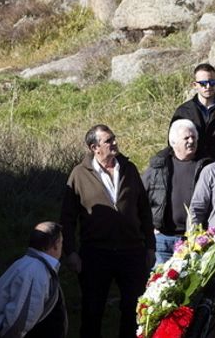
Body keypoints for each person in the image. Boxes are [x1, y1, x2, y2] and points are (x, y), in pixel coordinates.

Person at [60, 125, 153, 338]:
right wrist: (71, 252)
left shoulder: (128, 169)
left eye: (114, 138)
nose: (114, 143)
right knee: (93, 310)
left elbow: (144, 210)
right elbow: (67, 218)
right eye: (108, 140)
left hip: (131, 251)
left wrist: (150, 246)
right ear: (95, 147)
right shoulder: (79, 175)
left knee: (134, 309)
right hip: (96, 253)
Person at [0, 222, 67, 338]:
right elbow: (18, 322)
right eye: (62, 242)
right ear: (56, 245)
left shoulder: (29, 266)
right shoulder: (35, 272)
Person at [144, 120, 209, 263]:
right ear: (173, 142)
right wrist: (150, 228)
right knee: (162, 282)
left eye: (193, 137)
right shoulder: (158, 166)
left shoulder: (206, 166)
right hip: (163, 239)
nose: (191, 141)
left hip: (193, 239)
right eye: (186, 138)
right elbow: (141, 198)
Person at [171, 63, 215, 161]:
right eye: (203, 83)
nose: (208, 86)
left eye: (212, 82)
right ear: (195, 85)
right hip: (191, 166)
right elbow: (173, 143)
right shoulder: (183, 112)